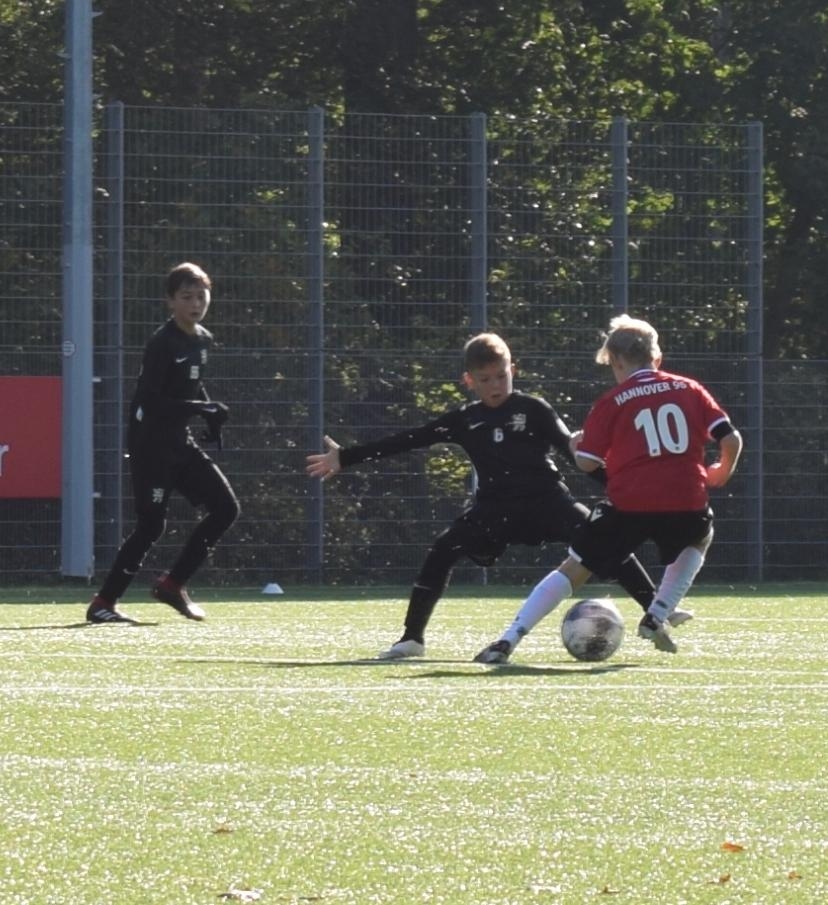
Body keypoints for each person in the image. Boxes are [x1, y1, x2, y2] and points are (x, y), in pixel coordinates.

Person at [306, 331, 676, 659]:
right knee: (443, 548)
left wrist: (627, 491)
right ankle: (411, 639)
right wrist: (346, 457)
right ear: (469, 380)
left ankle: (657, 613)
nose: (496, 385)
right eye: (485, 379)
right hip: (493, 510)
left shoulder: (533, 409)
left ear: (513, 369)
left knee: (606, 538)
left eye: (502, 375)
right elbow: (411, 438)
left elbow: (573, 453)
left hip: (547, 502)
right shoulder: (465, 419)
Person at [474, 314, 743, 662]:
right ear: (657, 357)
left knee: (574, 568)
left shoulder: (613, 401)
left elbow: (587, 462)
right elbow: (731, 438)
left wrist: (576, 445)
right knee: (700, 537)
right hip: (686, 498)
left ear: (616, 361)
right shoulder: (689, 389)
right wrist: (722, 469)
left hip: (629, 503)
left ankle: (509, 639)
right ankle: (658, 612)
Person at [86, 262, 240, 624]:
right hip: (151, 446)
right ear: (170, 301)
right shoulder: (162, 343)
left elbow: (192, 385)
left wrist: (209, 413)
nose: (196, 303)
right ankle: (103, 603)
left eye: (201, 295)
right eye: (186, 297)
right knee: (151, 526)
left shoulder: (202, 339)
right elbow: (150, 401)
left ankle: (172, 584)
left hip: (180, 442)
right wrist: (201, 407)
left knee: (225, 508)